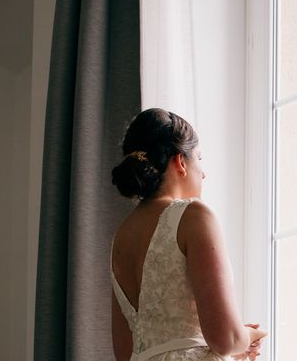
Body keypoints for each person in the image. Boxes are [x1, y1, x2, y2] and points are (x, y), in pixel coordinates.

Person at [110, 108, 267, 360]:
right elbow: (226, 339)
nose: (203, 173)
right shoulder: (193, 215)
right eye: (199, 159)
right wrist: (247, 336)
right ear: (180, 162)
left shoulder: (122, 236)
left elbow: (123, 352)